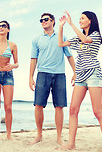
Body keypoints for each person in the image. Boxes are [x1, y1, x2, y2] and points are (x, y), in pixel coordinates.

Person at [57, 10, 102, 151]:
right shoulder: (77, 38)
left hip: (93, 74)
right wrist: (62, 26)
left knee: (97, 112)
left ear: (90, 21)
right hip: (80, 76)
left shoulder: (96, 35)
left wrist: (71, 23)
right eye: (79, 19)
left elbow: (86, 40)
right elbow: (61, 44)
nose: (80, 20)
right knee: (73, 109)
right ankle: (71, 144)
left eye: (82, 18)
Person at [29, 13, 76, 145]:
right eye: (41, 20)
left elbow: (69, 56)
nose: (43, 22)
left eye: (45, 19)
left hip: (59, 75)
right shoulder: (36, 39)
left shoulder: (62, 37)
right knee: (38, 105)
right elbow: (33, 59)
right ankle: (39, 135)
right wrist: (30, 77)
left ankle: (59, 137)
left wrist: (75, 72)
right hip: (42, 74)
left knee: (59, 106)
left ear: (53, 21)